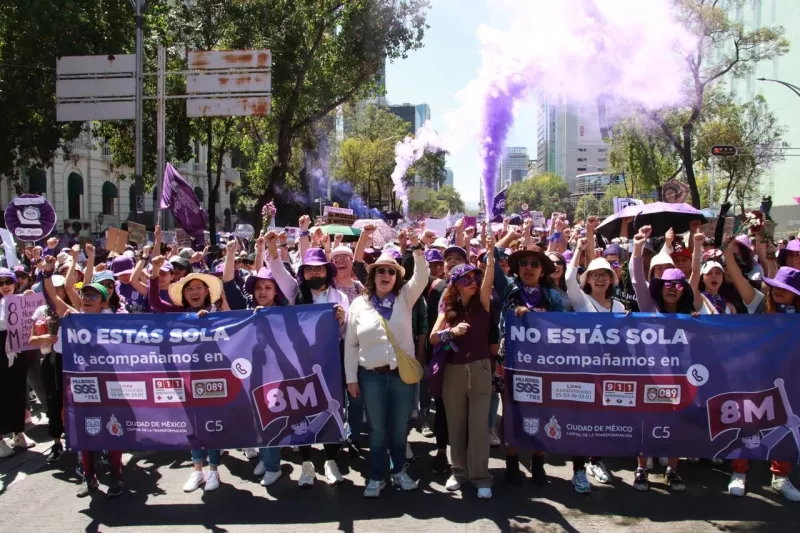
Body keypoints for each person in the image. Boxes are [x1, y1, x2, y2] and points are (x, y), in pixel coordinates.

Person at [344, 231, 429, 498]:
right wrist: (351, 379)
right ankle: (377, 476)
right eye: (380, 270)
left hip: (401, 377)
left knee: (399, 428)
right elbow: (350, 345)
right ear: (373, 275)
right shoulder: (358, 304)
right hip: (371, 377)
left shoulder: (405, 298)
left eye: (391, 272)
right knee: (378, 430)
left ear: (396, 277)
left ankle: (399, 471)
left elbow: (422, 277)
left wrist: (417, 248)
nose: (385, 275)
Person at [39, 256, 125, 498]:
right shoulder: (72, 316)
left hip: (109, 383)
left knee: (113, 429)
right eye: (84, 295)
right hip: (81, 384)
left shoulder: (115, 321)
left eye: (93, 295)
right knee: (85, 430)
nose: (87, 299)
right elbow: (53, 296)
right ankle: (89, 478)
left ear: (103, 301)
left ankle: (117, 475)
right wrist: (46, 271)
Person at [268, 243, 349, 488]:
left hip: (331, 361)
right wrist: (272, 246)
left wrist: (343, 319)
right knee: (301, 412)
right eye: (309, 270)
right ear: (303, 273)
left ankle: (331, 461)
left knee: (334, 411)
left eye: (318, 270)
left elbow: (346, 332)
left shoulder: (340, 297)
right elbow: (278, 271)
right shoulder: (295, 294)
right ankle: (306, 464)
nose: (314, 274)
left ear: (326, 271)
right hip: (300, 363)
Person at [148, 256, 227, 493]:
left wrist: (209, 321)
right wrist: (153, 270)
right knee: (191, 424)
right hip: (185, 376)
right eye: (190, 288)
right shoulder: (178, 312)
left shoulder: (216, 312)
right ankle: (197, 471)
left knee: (212, 424)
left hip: (213, 376)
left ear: (206, 291)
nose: (194, 292)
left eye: (198, 288)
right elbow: (154, 301)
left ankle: (214, 470)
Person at [722, 265, 800, 501]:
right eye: (775, 286)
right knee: (749, 423)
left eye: (784, 289)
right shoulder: (759, 305)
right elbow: (736, 277)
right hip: (756, 375)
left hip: (791, 378)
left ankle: (780, 477)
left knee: (788, 425)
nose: (778, 292)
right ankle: (739, 472)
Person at [430, 236, 496, 500]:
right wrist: (451, 332)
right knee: (456, 425)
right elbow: (434, 337)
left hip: (480, 370)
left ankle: (481, 476)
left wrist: (491, 256)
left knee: (479, 427)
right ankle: (458, 472)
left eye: (474, 278)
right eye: (466, 279)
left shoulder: (483, 302)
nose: (473, 282)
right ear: (455, 285)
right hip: (453, 372)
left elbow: (489, 279)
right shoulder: (447, 308)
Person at [630, 225, 692, 492]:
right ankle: (642, 469)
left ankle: (672, 471)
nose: (672, 288)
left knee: (676, 426)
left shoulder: (691, 315)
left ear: (682, 290)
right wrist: (637, 247)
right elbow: (635, 278)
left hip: (680, 380)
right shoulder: (649, 306)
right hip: (649, 378)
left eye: (678, 284)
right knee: (646, 425)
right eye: (667, 283)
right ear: (660, 286)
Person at [501, 246, 564, 486]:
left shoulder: (554, 296)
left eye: (534, 264)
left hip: (544, 363)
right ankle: (512, 462)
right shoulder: (508, 288)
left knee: (542, 411)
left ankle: (539, 462)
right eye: (524, 263)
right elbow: (492, 257)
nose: (528, 267)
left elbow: (564, 326)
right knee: (512, 411)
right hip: (512, 362)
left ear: (542, 271)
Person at [0, 268, 34, 458]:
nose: (5, 287)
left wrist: (27, 302)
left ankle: (18, 433)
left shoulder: (20, 299)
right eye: (1, 283)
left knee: (19, 390)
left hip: (18, 351)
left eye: (8, 282)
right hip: (1, 352)